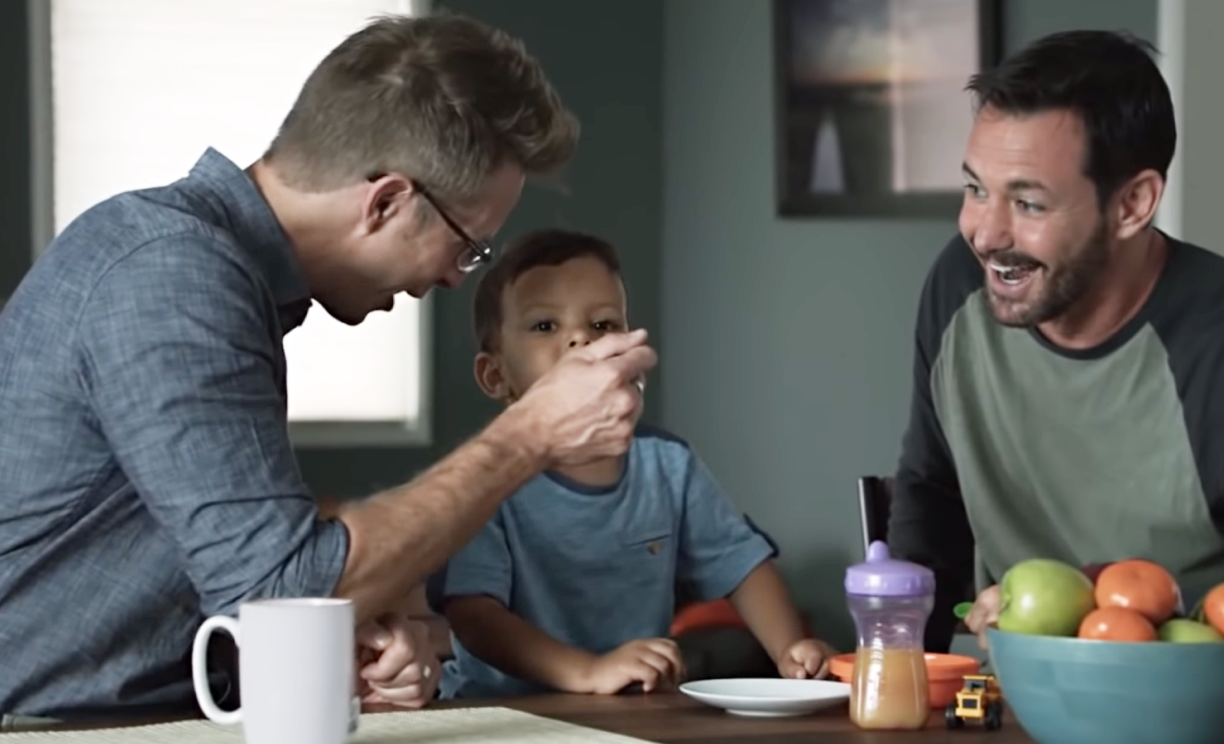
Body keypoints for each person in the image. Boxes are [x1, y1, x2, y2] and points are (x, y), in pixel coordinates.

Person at [0, 12, 658, 722]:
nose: (454, 281)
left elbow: (230, 547)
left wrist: (367, 626)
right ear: (386, 202)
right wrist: (532, 434)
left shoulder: (198, 270)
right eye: (468, 248)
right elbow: (277, 589)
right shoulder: (171, 279)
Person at [887, 29, 1224, 684]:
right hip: (1026, 705)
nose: (985, 232)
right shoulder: (961, 287)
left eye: (1028, 202)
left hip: (1220, 712)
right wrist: (901, 667)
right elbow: (933, 494)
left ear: (1133, 204)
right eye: (976, 189)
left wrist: (1086, 627)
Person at [428, 229, 836, 698]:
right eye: (545, 326)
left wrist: (792, 650)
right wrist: (587, 672)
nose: (580, 339)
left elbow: (741, 564)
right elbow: (474, 615)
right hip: (502, 717)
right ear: (496, 375)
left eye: (602, 325)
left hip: (627, 711)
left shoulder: (667, 465)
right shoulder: (487, 477)